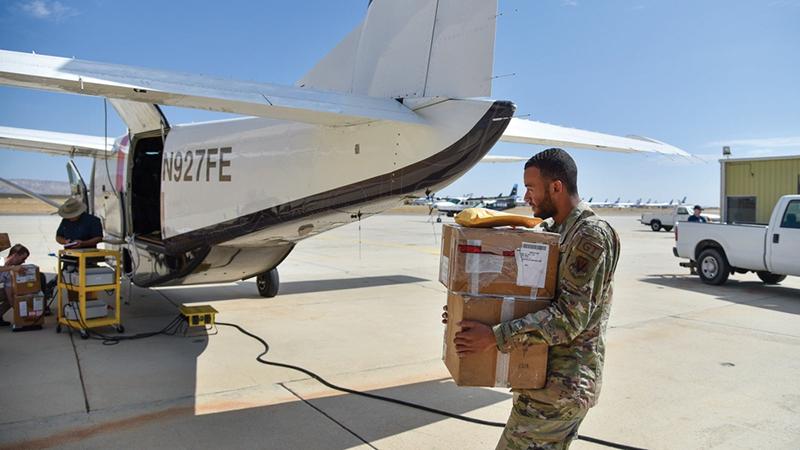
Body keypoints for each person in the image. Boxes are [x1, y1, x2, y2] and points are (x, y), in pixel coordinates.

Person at [444, 148, 620, 449]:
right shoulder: (554, 232)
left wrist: (495, 336)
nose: (527, 197)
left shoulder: (589, 235)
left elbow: (569, 319)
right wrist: (470, 313)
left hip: (563, 387)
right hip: (542, 379)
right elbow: (523, 295)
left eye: (531, 188)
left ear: (556, 187)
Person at [0, 244, 31, 326]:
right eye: (23, 258)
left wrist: (20, 314)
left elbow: (9, 293)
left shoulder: (11, 271)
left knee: (14, 293)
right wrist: (11, 268)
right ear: (15, 255)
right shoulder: (1, 261)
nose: (24, 261)